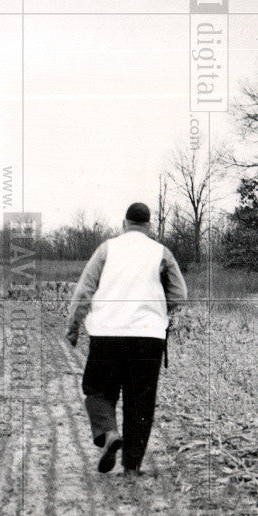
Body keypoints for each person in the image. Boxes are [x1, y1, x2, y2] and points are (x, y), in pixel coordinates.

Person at [66, 202, 188, 475]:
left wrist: (73, 327)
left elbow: (84, 290)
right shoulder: (161, 252)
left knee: (97, 391)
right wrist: (157, 311)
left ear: (124, 223)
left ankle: (108, 432)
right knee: (140, 401)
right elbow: (180, 294)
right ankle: (132, 466)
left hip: (107, 333)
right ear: (148, 226)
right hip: (148, 337)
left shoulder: (107, 249)